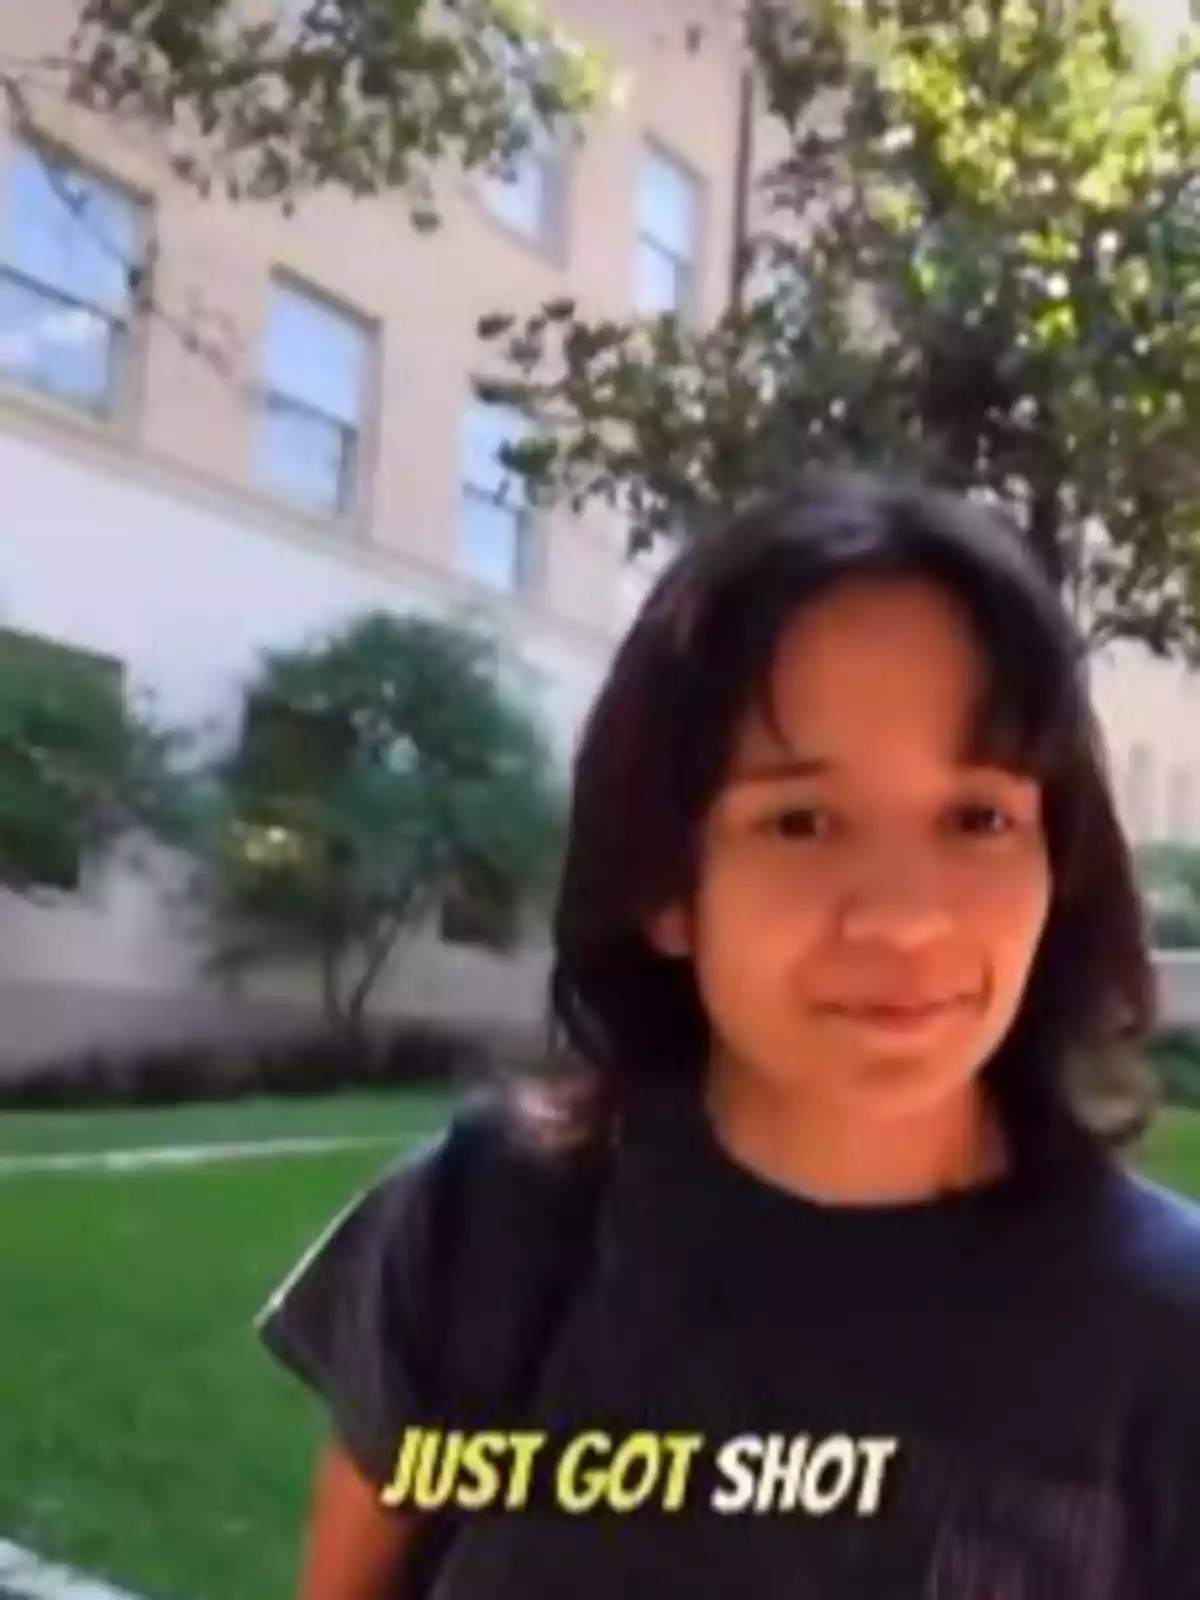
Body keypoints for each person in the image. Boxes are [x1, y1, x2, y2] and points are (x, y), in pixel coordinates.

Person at [256, 471, 1200, 1600]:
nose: (905, 914)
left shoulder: (1167, 1337)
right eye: (801, 819)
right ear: (667, 879)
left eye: (978, 817)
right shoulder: (490, 1215)